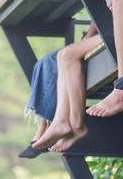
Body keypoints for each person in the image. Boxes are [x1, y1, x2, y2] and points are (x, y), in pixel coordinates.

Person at [32, 22, 101, 152]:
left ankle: (75, 125)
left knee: (67, 55)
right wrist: (88, 37)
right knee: (58, 57)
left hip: (118, 30)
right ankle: (59, 121)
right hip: (107, 30)